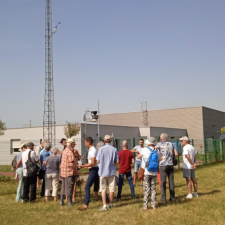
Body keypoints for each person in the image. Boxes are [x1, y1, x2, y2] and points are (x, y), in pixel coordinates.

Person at [96, 134, 119, 211]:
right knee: (111, 189)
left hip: (102, 171)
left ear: (104, 141)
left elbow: (98, 160)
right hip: (111, 171)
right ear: (111, 141)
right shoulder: (114, 149)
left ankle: (104, 205)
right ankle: (111, 204)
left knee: (103, 189)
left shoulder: (101, 149)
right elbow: (117, 161)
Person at [77, 137, 99, 211]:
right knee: (98, 185)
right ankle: (107, 200)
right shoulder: (91, 150)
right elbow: (92, 163)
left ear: (88, 142)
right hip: (94, 169)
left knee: (87, 187)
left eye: (85, 142)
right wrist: (87, 166)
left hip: (94, 170)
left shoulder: (92, 150)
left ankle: (86, 204)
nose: (85, 143)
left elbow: (92, 163)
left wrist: (82, 166)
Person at [137, 137, 158, 210]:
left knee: (146, 189)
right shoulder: (156, 150)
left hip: (147, 171)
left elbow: (138, 157)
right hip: (154, 172)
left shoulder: (144, 149)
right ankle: (154, 205)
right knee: (153, 188)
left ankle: (145, 206)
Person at [156, 133, 177, 203]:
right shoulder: (171, 144)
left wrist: (159, 158)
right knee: (171, 181)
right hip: (170, 164)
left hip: (163, 164)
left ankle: (163, 197)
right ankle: (172, 196)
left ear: (161, 138)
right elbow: (174, 153)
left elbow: (154, 150)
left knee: (163, 181)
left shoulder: (159, 144)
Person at [60, 138, 78, 206]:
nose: (74, 145)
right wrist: (76, 171)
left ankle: (61, 201)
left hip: (63, 172)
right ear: (70, 144)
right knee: (70, 187)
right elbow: (71, 164)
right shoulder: (70, 152)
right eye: (73, 144)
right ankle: (70, 202)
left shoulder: (64, 151)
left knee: (63, 187)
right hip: (69, 172)